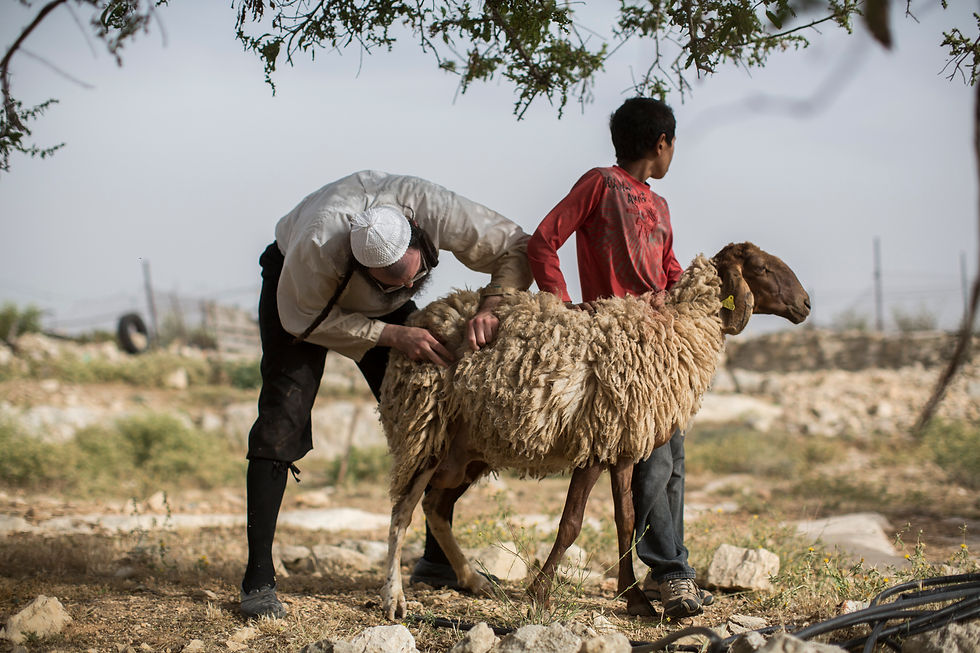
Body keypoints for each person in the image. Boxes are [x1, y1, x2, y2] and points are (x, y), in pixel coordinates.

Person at [241, 170, 532, 619]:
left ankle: (436, 560)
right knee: (283, 414)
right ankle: (258, 580)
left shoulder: (434, 208)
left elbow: (518, 246)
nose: (402, 290)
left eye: (410, 281)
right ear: (357, 266)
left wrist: (491, 306)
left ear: (422, 240)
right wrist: (389, 334)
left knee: (443, 412)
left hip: (391, 317)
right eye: (386, 284)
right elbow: (300, 320)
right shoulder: (316, 248)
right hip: (304, 304)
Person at [525, 98, 713, 618]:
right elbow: (543, 242)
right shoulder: (600, 184)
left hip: (660, 351)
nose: (674, 153)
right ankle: (672, 574)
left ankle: (671, 569)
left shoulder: (661, 207)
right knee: (650, 461)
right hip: (617, 350)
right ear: (662, 144)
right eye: (674, 145)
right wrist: (565, 311)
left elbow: (670, 272)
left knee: (672, 460)